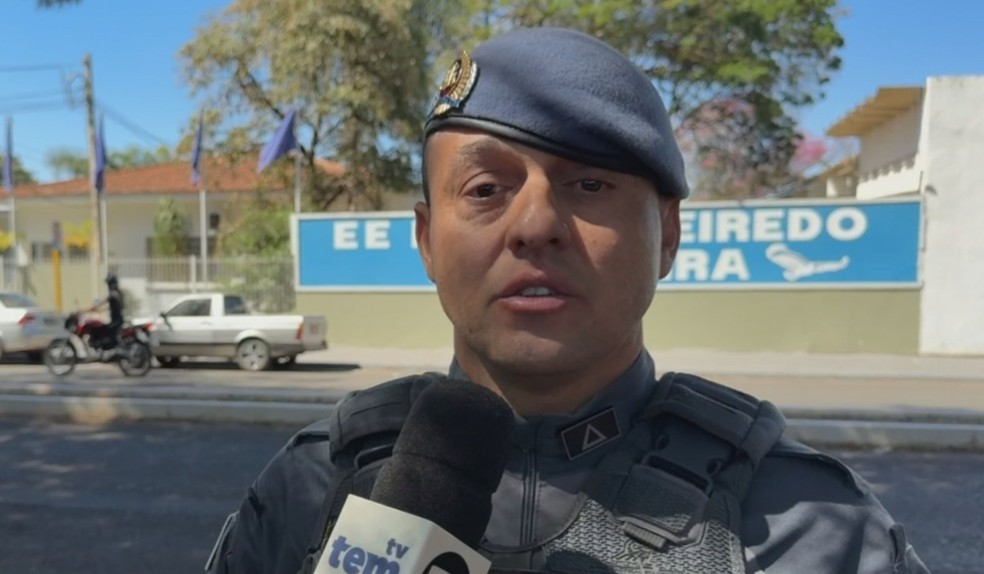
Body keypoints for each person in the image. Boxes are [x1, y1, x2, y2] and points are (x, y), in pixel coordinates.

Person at [205, 27, 929, 574]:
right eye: (486, 189)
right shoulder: (311, 491)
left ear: (667, 233)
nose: (536, 225)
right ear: (426, 240)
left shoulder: (815, 527)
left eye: (589, 185)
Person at [87, 272, 125, 352]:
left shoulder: (113, 294)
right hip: (118, 320)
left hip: (116, 321)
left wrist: (91, 308)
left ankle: (104, 347)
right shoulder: (118, 294)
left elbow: (102, 302)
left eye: (109, 284)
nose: (108, 286)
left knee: (97, 329)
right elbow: (113, 307)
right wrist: (99, 310)